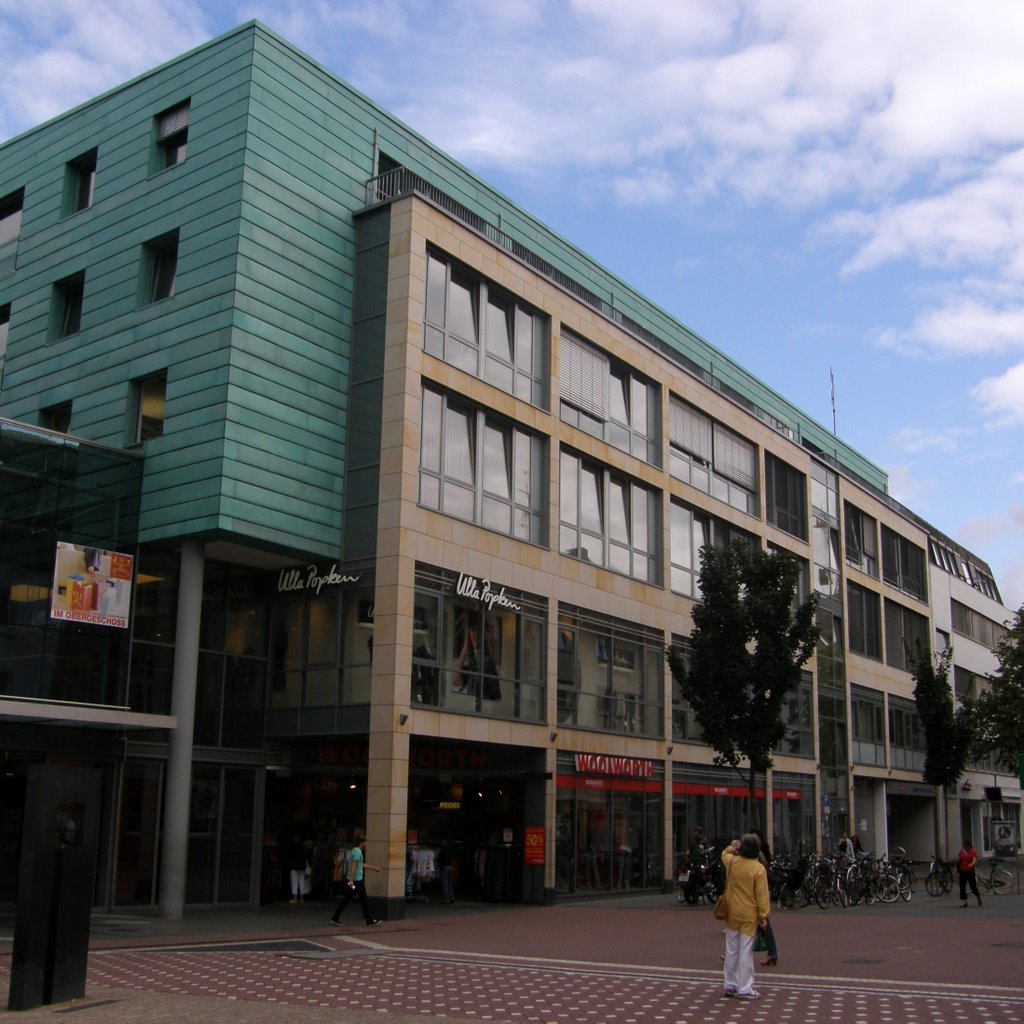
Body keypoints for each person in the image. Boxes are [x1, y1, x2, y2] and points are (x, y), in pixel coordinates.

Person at [720, 834, 770, 1000]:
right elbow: (762, 896)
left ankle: (730, 984)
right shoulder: (758, 868)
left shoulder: (733, 863)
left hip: (732, 912)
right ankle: (745, 987)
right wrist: (763, 916)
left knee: (731, 949)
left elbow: (724, 855)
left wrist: (732, 848)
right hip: (749, 914)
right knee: (745, 951)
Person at [330, 836, 382, 925]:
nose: (366, 844)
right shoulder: (357, 852)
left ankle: (335, 917)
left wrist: (373, 868)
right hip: (356, 881)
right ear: (362, 842)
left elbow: (360, 864)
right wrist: (351, 880)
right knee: (364, 899)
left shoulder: (354, 851)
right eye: (365, 842)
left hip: (354, 882)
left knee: (348, 899)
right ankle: (369, 920)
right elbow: (354, 866)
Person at [754, 830, 778, 967]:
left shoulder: (756, 861)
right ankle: (773, 953)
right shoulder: (759, 858)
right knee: (762, 926)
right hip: (759, 897)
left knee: (745, 929)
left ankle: (733, 956)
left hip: (755, 898)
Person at [958, 838, 982, 908]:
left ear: (969, 846)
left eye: (966, 846)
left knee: (973, 887)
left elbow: (974, 859)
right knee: (962, 886)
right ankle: (964, 902)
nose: (965, 847)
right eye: (964, 846)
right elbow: (960, 861)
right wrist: (957, 870)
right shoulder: (962, 852)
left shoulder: (972, 852)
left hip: (970, 872)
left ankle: (978, 896)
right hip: (962, 871)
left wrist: (971, 864)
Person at [287, 833, 309, 904]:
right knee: (302, 882)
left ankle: (295, 898)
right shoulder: (303, 847)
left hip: (294, 867)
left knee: (294, 882)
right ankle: (302, 898)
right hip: (302, 867)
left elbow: (290, 857)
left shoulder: (292, 847)